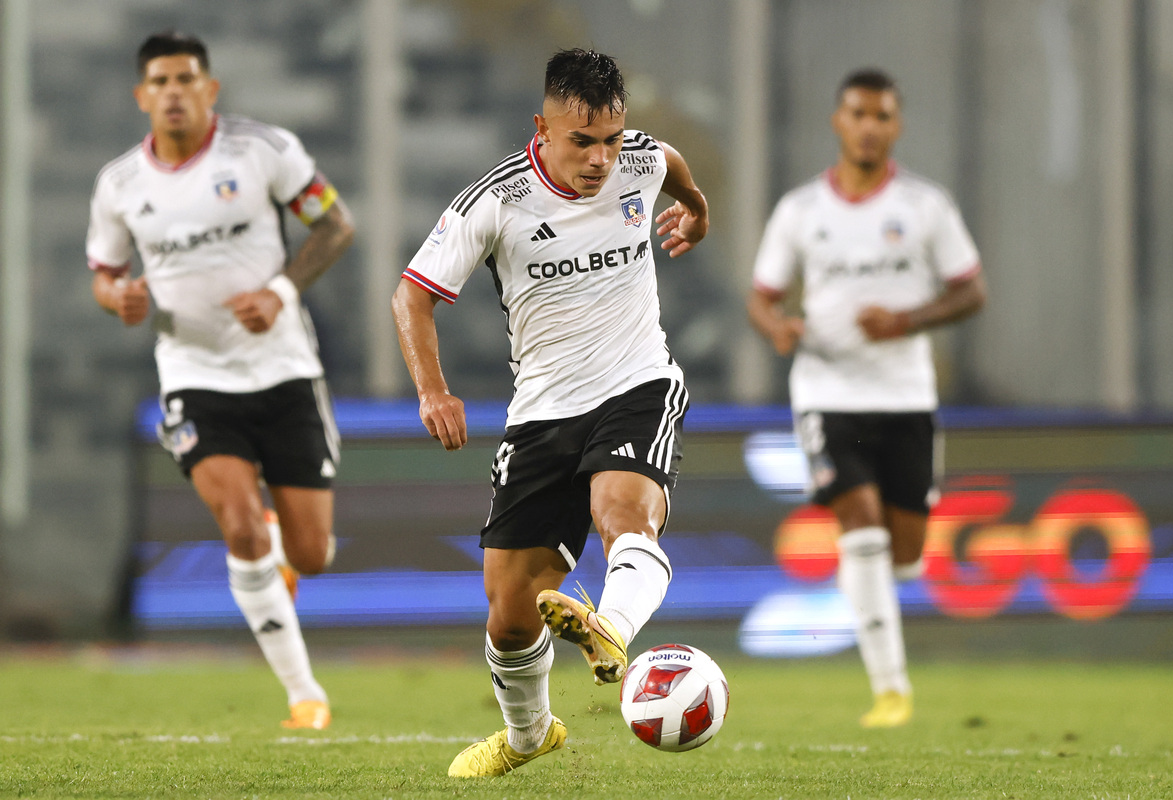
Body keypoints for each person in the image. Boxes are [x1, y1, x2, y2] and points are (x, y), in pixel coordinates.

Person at [392, 48, 708, 777]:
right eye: (582, 141)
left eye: (612, 139)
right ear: (543, 127)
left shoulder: (645, 163)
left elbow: (683, 184)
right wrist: (432, 391)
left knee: (624, 511)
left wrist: (696, 219)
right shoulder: (496, 201)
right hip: (541, 413)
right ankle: (529, 737)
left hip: (637, 385)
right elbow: (412, 295)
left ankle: (612, 628)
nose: (601, 159)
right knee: (509, 613)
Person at [86, 31, 355, 730]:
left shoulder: (263, 151)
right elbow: (105, 276)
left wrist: (280, 292)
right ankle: (305, 695)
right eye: (160, 82)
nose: (173, 92)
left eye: (186, 79)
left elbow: (335, 226)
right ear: (141, 96)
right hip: (194, 375)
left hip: (285, 370)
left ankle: (280, 539)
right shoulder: (120, 185)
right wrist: (120, 300)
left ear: (210, 89)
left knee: (311, 556)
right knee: (237, 528)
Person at [747, 68, 986, 728]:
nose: (870, 126)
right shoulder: (801, 212)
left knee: (904, 556)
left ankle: (875, 588)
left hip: (905, 394)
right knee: (859, 519)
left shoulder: (925, 207)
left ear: (896, 126)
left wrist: (906, 322)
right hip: (826, 391)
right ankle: (891, 690)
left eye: (882, 116)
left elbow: (972, 290)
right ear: (838, 121)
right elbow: (762, 297)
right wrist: (778, 328)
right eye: (858, 113)